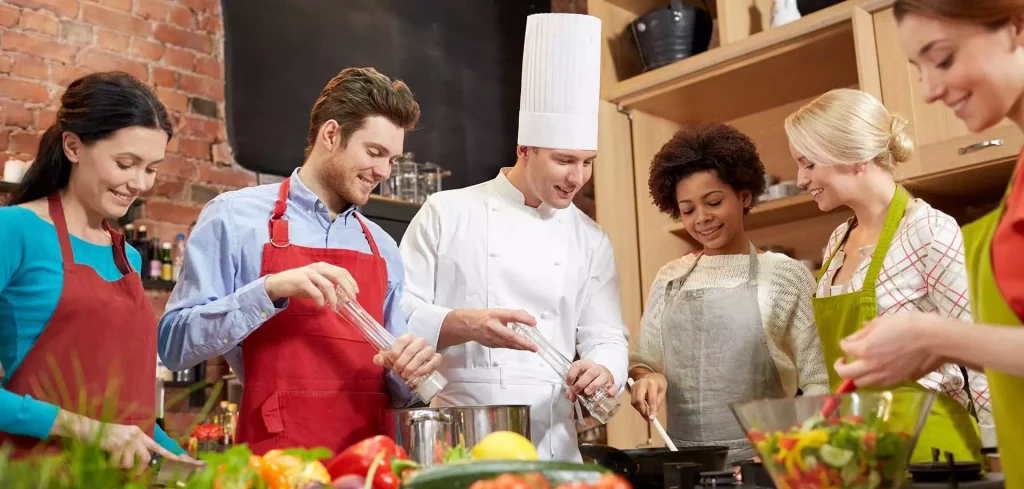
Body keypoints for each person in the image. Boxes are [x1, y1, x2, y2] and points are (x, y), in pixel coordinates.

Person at [158, 67, 443, 455]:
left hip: (370, 464)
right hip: (275, 461)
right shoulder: (233, 218)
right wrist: (269, 289)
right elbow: (173, 344)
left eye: (391, 160)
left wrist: (410, 374)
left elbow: (395, 384)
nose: (383, 172)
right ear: (331, 135)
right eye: (374, 153)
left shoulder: (382, 247)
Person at [399, 13, 629, 462]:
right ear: (525, 149)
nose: (578, 177)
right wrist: (469, 324)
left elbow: (606, 335)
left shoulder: (590, 238)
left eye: (588, 161)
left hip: (554, 440)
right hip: (462, 435)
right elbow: (397, 312)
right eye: (565, 160)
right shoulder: (447, 212)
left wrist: (603, 369)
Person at [830, 1, 1024, 485]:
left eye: (943, 59)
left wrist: (934, 337)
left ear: (1016, 26)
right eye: (919, 69)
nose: (930, 91)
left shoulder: (928, 226)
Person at [785, 88, 991, 463]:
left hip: (929, 448)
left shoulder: (928, 230)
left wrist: (1001, 452)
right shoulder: (837, 240)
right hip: (856, 448)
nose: (800, 179)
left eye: (809, 163)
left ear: (854, 157)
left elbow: (982, 353)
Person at [0, 71, 187, 468]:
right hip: (37, 474)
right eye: (125, 163)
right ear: (73, 146)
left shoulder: (128, 259)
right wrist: (90, 430)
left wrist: (194, 465)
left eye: (151, 168)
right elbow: (107, 426)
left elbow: (129, 415)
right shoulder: (13, 231)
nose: (139, 183)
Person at [628, 122, 829, 464]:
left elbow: (819, 381)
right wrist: (646, 379)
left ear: (744, 196)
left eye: (714, 202)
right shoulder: (670, 278)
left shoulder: (785, 275)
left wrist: (798, 451)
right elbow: (642, 365)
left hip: (765, 465)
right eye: (688, 210)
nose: (702, 218)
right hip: (684, 466)